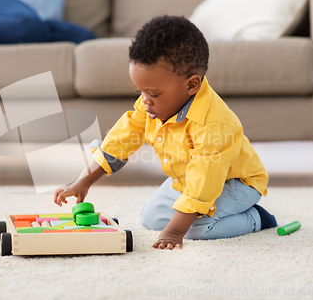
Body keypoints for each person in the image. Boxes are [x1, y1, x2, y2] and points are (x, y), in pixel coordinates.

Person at [54, 15, 277, 250]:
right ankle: (215, 216)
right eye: (140, 92)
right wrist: (84, 181)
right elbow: (122, 138)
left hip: (235, 182)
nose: (145, 101)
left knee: (194, 229)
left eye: (153, 94)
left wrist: (175, 232)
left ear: (192, 85)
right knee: (150, 218)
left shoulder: (214, 125)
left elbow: (205, 181)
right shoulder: (149, 105)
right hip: (188, 179)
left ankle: (256, 218)